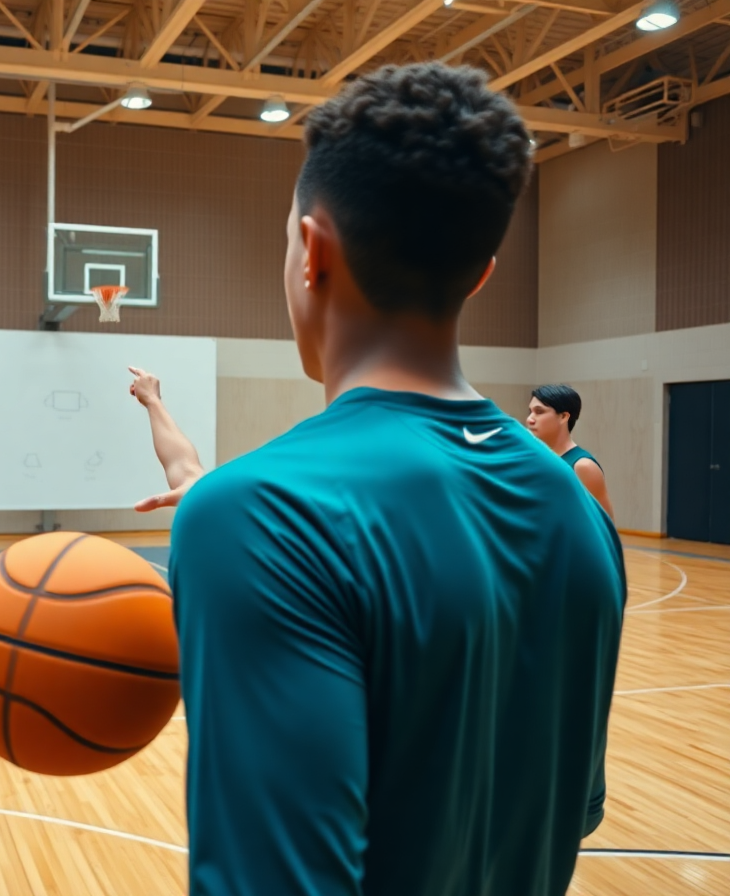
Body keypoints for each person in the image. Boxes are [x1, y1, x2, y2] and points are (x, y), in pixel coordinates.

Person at [129, 63, 626, 896]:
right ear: (480, 274)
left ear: (312, 253)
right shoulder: (581, 517)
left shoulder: (256, 516)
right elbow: (560, 815)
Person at [528, 384, 615, 519]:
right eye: (530, 412)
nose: (530, 419)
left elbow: (605, 527)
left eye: (539, 412)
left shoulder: (583, 466)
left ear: (563, 416)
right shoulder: (533, 459)